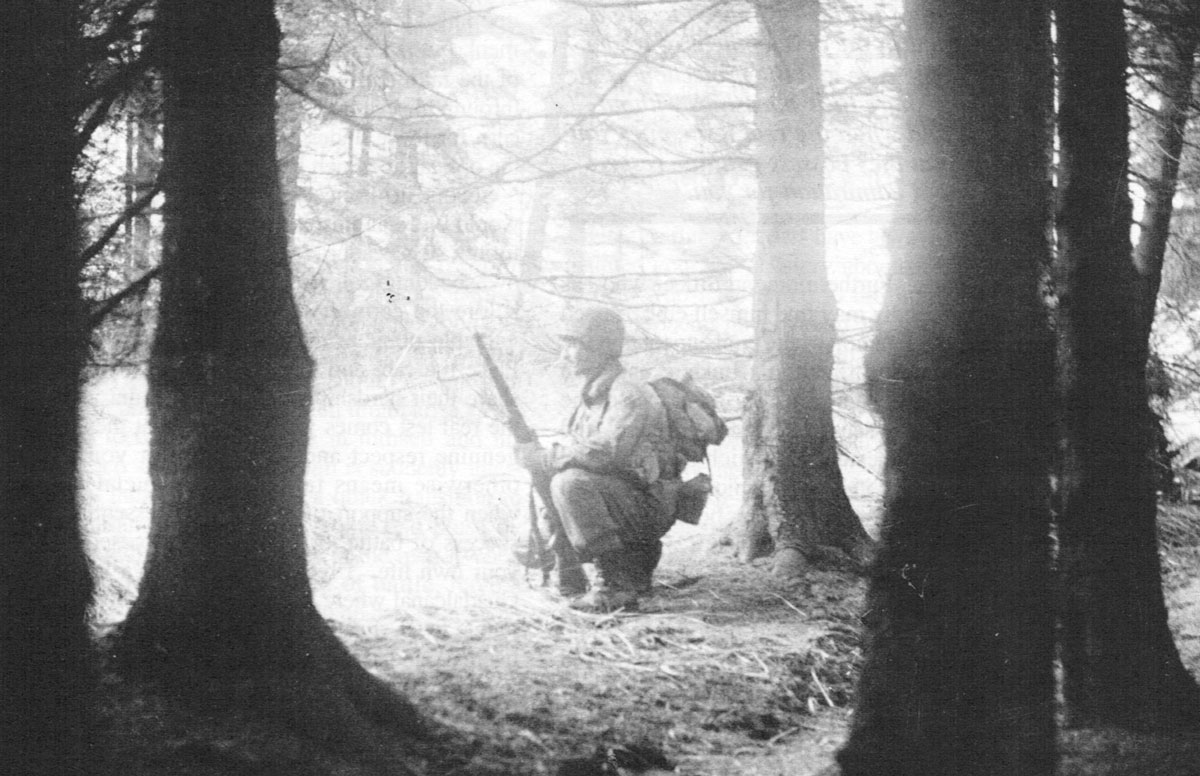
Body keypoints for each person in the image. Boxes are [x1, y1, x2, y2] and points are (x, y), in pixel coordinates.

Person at [514, 306, 675, 612]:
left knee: (569, 483)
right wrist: (538, 458)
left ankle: (616, 587)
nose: (567, 354)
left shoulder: (628, 392)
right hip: (623, 501)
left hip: (647, 506)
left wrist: (544, 458)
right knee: (553, 487)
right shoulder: (594, 394)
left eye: (576, 345)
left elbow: (604, 453)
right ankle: (572, 580)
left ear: (601, 348)